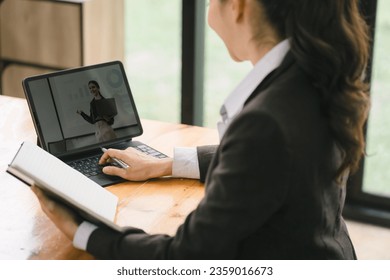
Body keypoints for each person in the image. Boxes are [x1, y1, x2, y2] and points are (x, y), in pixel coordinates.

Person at [32, 0, 370, 259]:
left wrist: (80, 229)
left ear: (238, 6)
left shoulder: (265, 122)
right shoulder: (312, 72)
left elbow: (186, 257)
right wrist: (164, 164)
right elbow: (269, 164)